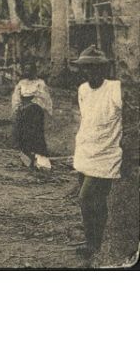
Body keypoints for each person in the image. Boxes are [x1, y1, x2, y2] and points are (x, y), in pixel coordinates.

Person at [72, 46, 123, 261]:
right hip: (85, 152)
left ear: (103, 69)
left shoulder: (115, 89)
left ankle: (95, 243)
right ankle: (92, 241)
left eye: (95, 67)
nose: (90, 72)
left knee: (87, 198)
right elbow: (87, 120)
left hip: (107, 153)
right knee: (92, 202)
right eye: (86, 68)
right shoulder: (83, 90)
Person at [11, 59, 53, 169]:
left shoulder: (40, 83)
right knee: (23, 135)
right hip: (23, 111)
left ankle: (40, 161)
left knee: (35, 135)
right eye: (25, 70)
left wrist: (31, 105)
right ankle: (27, 159)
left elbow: (44, 98)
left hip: (35, 112)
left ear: (34, 71)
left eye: (29, 70)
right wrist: (18, 107)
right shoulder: (21, 83)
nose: (27, 72)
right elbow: (16, 97)